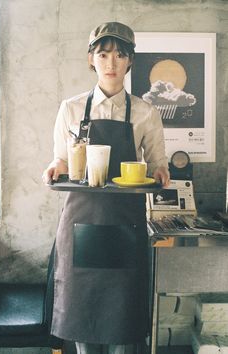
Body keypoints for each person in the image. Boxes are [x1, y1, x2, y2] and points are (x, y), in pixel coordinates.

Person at [42, 22, 170, 354]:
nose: (111, 63)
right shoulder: (70, 109)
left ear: (130, 62)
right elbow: (63, 160)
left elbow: (158, 163)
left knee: (122, 324)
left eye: (120, 55)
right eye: (103, 54)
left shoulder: (146, 112)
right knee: (82, 318)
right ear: (91, 59)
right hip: (79, 225)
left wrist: (160, 174)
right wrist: (56, 167)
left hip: (125, 226)